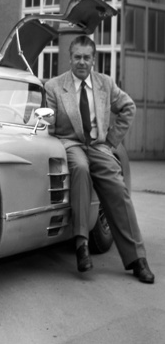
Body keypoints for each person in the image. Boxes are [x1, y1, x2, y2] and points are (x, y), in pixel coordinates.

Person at [44, 35, 154, 283]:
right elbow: (47, 124)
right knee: (81, 169)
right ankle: (81, 245)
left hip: (98, 145)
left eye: (86, 57)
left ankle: (137, 259)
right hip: (70, 143)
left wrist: (111, 141)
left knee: (118, 188)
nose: (82, 62)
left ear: (93, 59)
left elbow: (129, 107)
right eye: (77, 57)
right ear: (70, 58)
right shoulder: (54, 86)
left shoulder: (105, 83)